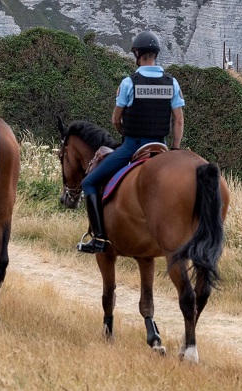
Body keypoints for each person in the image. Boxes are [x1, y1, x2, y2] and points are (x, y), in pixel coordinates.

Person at [77, 30, 185, 253]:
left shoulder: (129, 83)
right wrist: (174, 150)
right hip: (161, 147)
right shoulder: (171, 83)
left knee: (88, 182)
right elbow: (179, 121)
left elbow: (115, 119)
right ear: (155, 54)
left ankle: (99, 239)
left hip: (133, 146)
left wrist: (124, 131)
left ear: (137, 53)